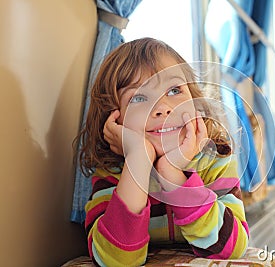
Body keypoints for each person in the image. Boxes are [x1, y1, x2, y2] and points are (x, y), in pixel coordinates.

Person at [77, 37, 250, 266]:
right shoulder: (113, 173)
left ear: (195, 101)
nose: (162, 108)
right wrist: (138, 159)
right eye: (139, 98)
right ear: (115, 118)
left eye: (174, 90)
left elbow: (231, 248)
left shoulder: (215, 161)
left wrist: (172, 171)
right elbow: (114, 261)